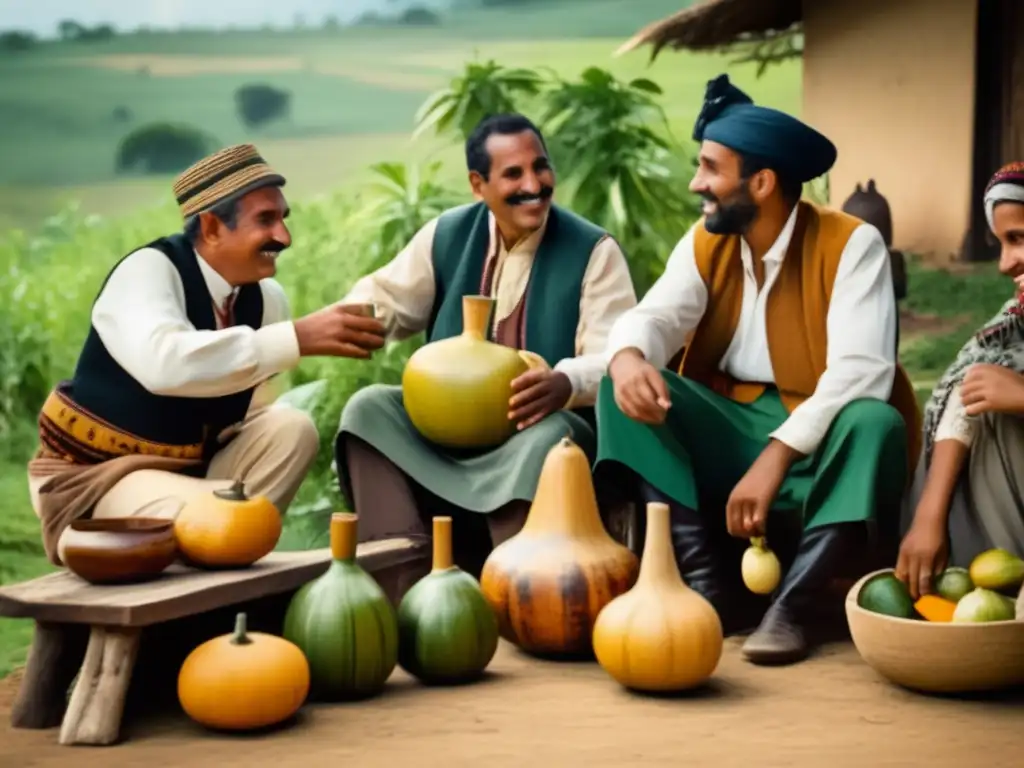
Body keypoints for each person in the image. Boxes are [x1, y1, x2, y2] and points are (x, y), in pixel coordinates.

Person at [592, 74, 922, 665]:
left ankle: (790, 609)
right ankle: (707, 591)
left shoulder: (854, 244)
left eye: (711, 169)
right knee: (625, 386)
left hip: (814, 441)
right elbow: (656, 317)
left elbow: (861, 371)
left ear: (762, 183)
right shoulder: (705, 242)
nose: (697, 183)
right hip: (729, 421)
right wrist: (625, 358)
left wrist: (776, 455)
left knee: (875, 420)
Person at [28, 144, 388, 566]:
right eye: (266, 220)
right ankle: (209, 558)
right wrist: (297, 338)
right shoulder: (148, 271)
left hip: (188, 475)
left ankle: (217, 553)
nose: (284, 238)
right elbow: (166, 364)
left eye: (283, 219)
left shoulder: (266, 300)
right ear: (213, 226)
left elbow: (250, 410)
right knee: (224, 515)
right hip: (95, 479)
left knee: (293, 429)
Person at [334, 113, 637, 575]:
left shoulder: (594, 251)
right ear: (479, 185)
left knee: (550, 442)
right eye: (513, 174)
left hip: (536, 427)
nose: (534, 184)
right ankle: (403, 575)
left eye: (541, 167)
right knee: (368, 409)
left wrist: (566, 381)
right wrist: (349, 320)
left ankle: (519, 591)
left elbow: (617, 358)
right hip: (447, 432)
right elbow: (386, 299)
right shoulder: (448, 234)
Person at [897, 161, 1024, 600]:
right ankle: (982, 587)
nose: (1007, 263)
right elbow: (965, 388)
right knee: (981, 399)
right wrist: (929, 518)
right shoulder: (1015, 321)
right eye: (1002, 244)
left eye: (1019, 239)